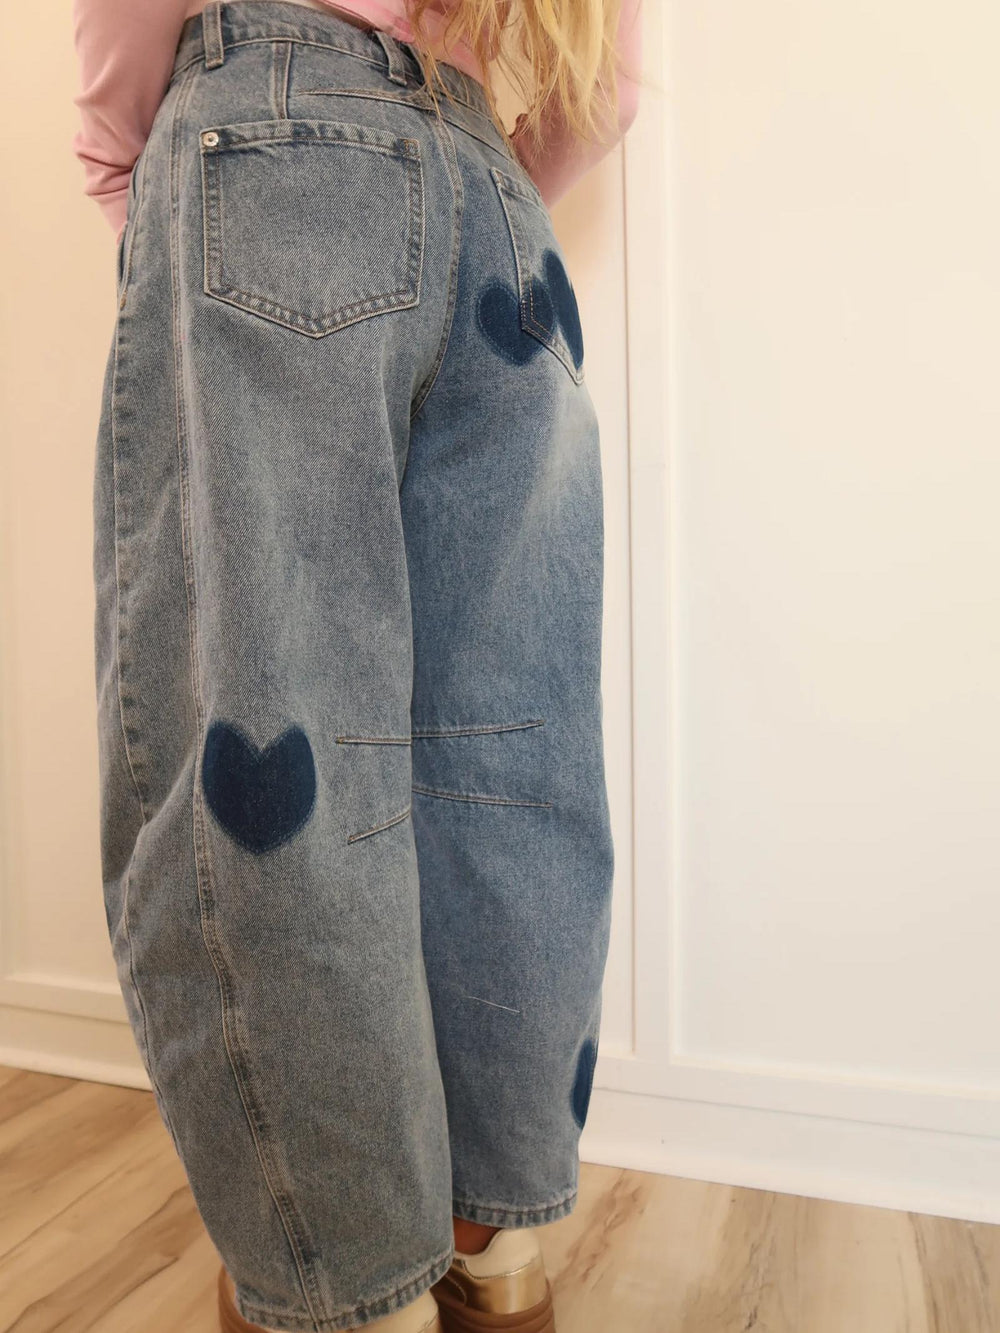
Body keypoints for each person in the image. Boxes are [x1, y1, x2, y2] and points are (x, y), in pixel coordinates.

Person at [71, 1, 642, 1330]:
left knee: (275, 737)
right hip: (497, 210)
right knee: (507, 752)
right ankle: (488, 1241)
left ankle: (354, 1286)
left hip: (267, 147)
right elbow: (605, 88)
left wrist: (132, 177)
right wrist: (454, 169)